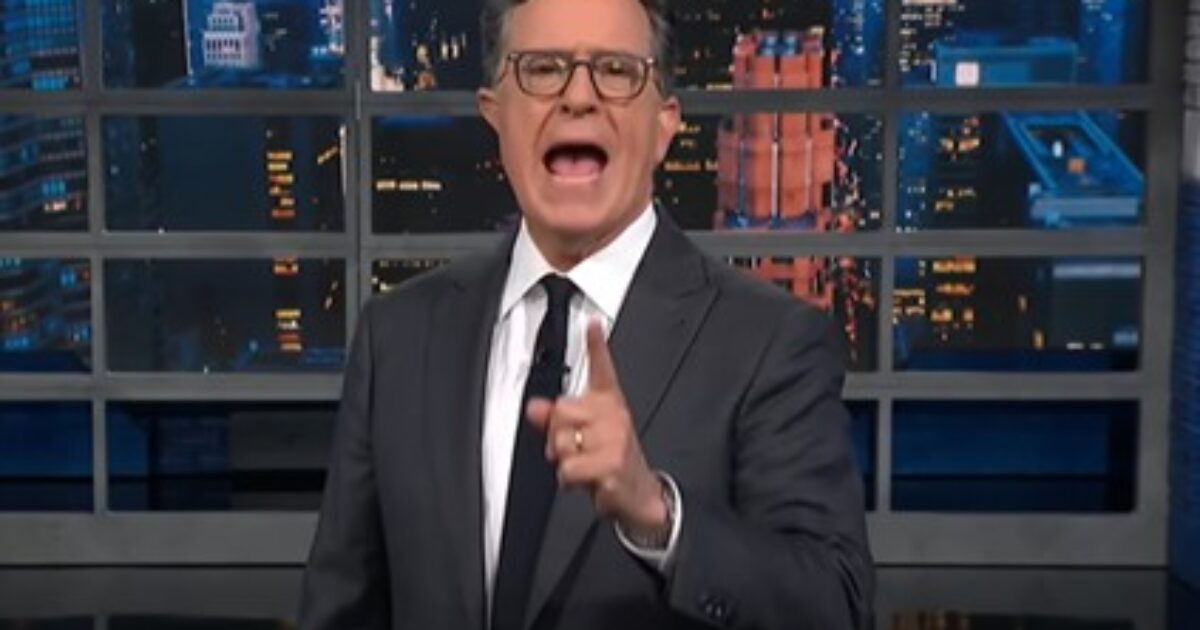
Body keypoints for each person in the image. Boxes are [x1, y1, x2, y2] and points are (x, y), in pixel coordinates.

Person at [299, 0, 873, 628]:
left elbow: (836, 605)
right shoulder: (398, 337)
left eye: (616, 71)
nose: (578, 97)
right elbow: (341, 608)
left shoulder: (771, 342)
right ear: (495, 114)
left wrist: (659, 517)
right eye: (543, 69)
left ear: (664, 125)